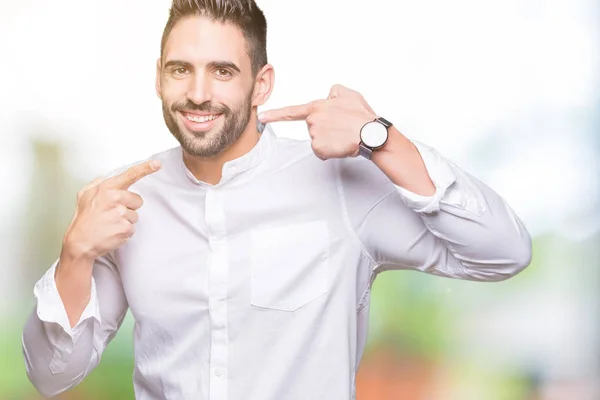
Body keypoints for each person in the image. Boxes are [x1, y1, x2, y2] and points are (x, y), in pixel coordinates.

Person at [22, 0, 532, 399]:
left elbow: (504, 252)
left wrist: (382, 138)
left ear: (261, 84)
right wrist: (75, 256)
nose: (198, 93)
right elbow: (51, 377)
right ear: (159, 77)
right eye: (181, 70)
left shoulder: (339, 184)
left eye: (222, 71)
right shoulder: (127, 200)